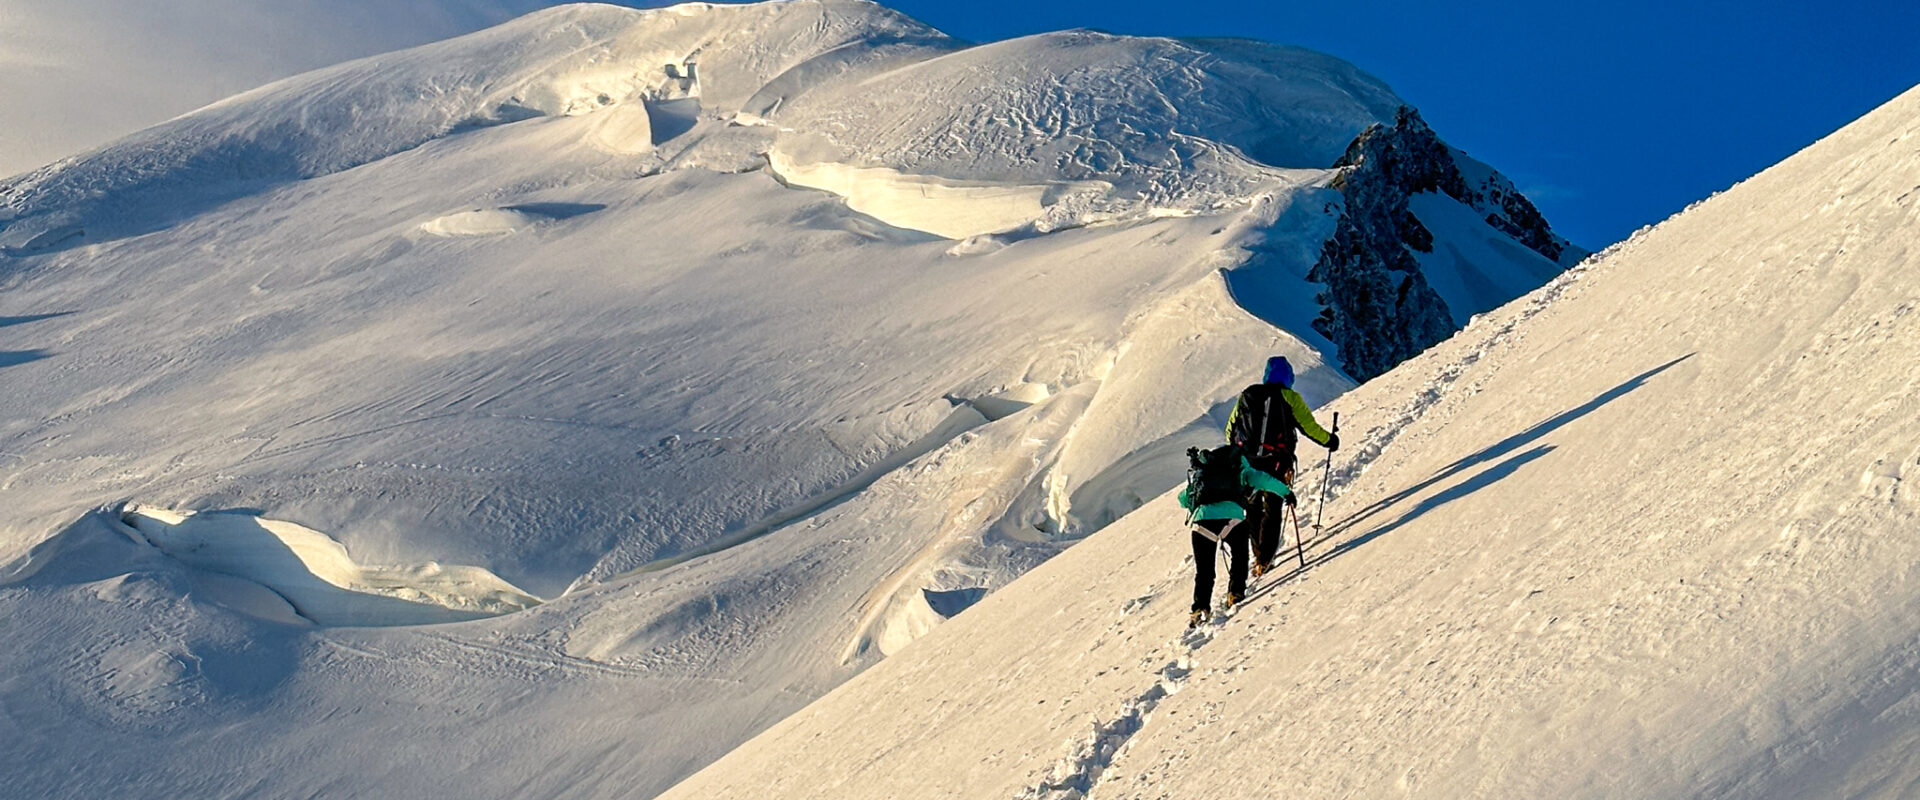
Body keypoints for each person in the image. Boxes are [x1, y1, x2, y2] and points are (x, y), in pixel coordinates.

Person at [1225, 356, 1339, 574]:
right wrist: (1330, 441)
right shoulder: (1290, 398)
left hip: (1247, 461)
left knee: (1252, 506)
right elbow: (1309, 427)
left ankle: (1258, 553)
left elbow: (1230, 430)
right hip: (1276, 461)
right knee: (1273, 506)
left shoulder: (1247, 395)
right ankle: (1265, 558)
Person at [1177, 444, 1292, 628]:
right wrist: (1286, 492)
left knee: (1204, 570)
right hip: (1232, 519)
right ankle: (1235, 592)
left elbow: (1183, 498)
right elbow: (1264, 480)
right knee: (1240, 555)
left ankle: (1200, 608)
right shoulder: (1241, 466)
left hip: (1202, 521)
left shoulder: (1205, 471)